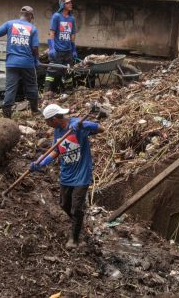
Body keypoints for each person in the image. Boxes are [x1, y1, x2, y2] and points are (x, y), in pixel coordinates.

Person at [29, 103, 104, 249]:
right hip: (67, 174)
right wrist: (41, 163)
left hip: (82, 174)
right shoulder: (58, 131)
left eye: (47, 121)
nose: (46, 124)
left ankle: (74, 239)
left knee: (76, 209)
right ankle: (79, 223)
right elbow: (56, 150)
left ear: (54, 119)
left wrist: (84, 126)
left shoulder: (77, 125)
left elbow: (102, 128)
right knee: (64, 205)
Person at [0, 6, 40, 118]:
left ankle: (7, 116)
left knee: (10, 88)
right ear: (30, 16)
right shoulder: (33, 28)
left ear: (21, 14)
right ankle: (35, 110)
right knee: (31, 86)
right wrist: (36, 60)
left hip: (11, 63)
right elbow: (34, 48)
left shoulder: (10, 24)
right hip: (27, 63)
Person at [45, 0, 78, 96]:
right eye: (68, 3)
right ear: (63, 5)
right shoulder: (56, 16)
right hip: (57, 50)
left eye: (71, 3)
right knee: (52, 71)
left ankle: (67, 91)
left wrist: (73, 50)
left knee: (68, 71)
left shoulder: (72, 19)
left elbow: (72, 35)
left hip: (67, 51)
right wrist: (51, 48)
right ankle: (48, 91)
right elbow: (52, 33)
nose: (71, 4)